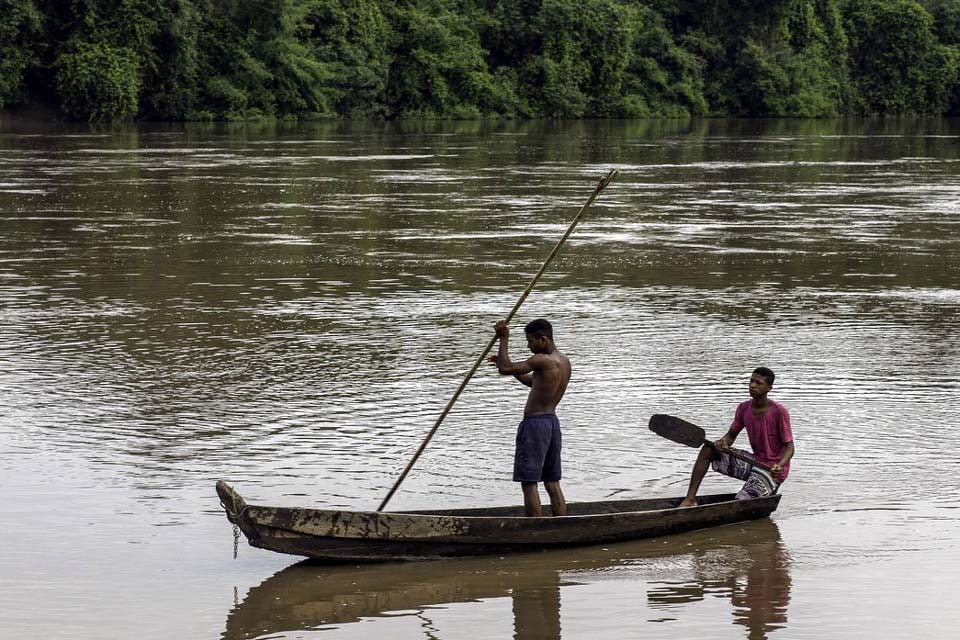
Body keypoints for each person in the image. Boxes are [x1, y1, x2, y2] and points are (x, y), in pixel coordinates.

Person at [678, 367, 795, 508]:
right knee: (708, 450)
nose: (752, 385)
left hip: (772, 470)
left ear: (769, 388)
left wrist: (780, 465)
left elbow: (790, 447)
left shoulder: (779, 412)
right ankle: (690, 499)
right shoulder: (743, 408)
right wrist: (723, 442)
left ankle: (767, 485)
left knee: (741, 501)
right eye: (751, 381)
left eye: (758, 383)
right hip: (754, 462)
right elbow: (731, 435)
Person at [489, 318, 571, 517]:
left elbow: (505, 368)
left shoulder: (541, 360)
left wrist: (503, 338)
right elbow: (533, 382)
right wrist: (505, 364)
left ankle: (536, 529)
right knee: (552, 481)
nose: (529, 345)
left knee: (529, 481)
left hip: (535, 425)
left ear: (543, 339)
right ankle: (562, 525)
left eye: (531, 342)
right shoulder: (564, 361)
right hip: (551, 423)